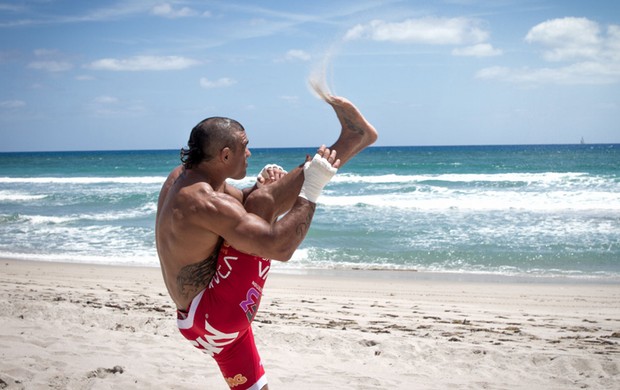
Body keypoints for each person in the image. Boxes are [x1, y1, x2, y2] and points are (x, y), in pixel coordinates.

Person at [155, 94, 377, 390]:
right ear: (224, 155)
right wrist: (313, 187)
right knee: (262, 203)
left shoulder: (184, 178)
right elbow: (279, 247)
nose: (249, 153)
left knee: (260, 198)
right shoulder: (204, 202)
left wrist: (257, 188)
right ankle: (354, 139)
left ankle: (354, 138)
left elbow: (238, 203)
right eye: (244, 147)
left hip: (198, 324)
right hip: (219, 315)